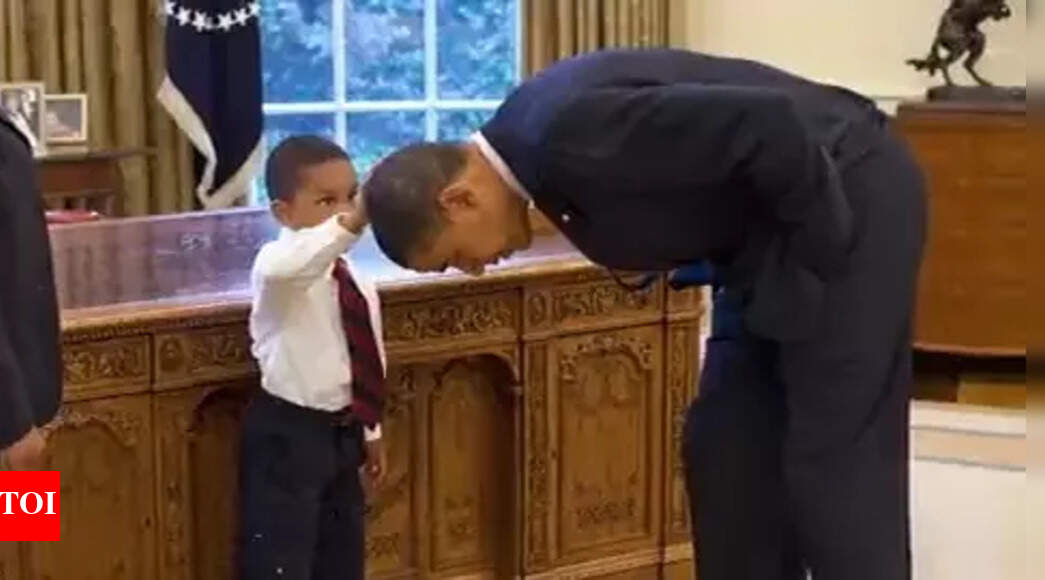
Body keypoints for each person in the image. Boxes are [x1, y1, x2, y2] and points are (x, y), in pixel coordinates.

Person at [362, 49, 926, 580]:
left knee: (834, 453)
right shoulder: (536, 148)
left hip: (844, 191)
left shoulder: (564, 132)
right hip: (761, 243)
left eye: (456, 257)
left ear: (459, 200)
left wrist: (825, 263)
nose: (476, 269)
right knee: (726, 448)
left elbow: (772, 125)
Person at [239, 136, 388, 580]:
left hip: (343, 433)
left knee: (341, 561)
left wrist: (372, 428)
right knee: (282, 564)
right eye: (326, 200)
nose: (342, 211)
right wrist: (355, 219)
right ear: (283, 212)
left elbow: (366, 354)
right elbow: (292, 265)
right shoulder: (276, 267)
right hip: (288, 437)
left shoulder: (354, 277)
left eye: (350, 196)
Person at [0, 105, 63, 471]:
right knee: (21, 528)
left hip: (24, 408)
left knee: (31, 528)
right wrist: (13, 422)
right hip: (2, 422)